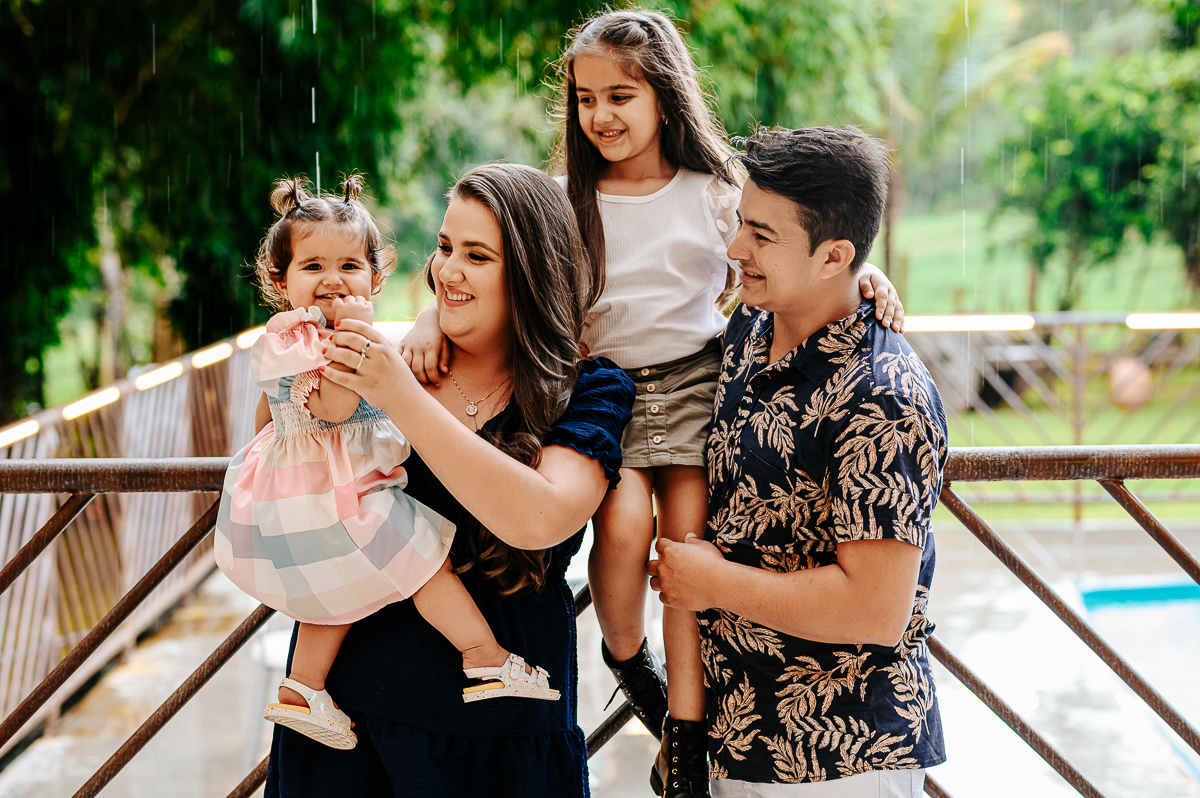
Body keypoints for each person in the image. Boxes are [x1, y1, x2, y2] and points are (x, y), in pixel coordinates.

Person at [399, 13, 905, 795]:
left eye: (621, 96)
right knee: (627, 526)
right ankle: (631, 664)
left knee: (689, 549)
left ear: (664, 98)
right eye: (586, 98)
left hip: (699, 382)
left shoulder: (715, 194)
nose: (600, 115)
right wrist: (432, 314)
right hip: (611, 392)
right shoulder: (571, 200)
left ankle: (686, 735)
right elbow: (494, 265)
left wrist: (866, 279)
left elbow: (806, 248)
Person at [261, 162, 635, 797]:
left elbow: (538, 518)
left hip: (500, 743)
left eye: (477, 255)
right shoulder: (389, 361)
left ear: (530, 274)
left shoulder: (589, 391)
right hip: (350, 733)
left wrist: (403, 397)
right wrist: (402, 365)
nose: (447, 271)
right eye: (442, 247)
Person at [649, 126, 948, 798]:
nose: (735, 249)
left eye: (761, 235)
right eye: (740, 224)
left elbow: (875, 610)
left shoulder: (884, 395)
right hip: (735, 738)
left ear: (833, 256)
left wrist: (711, 582)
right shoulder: (750, 326)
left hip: (839, 756)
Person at [215, 174, 562, 752]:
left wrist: (416, 324)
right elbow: (334, 405)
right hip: (334, 496)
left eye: (350, 267)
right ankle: (485, 656)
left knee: (338, 591)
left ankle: (304, 686)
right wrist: (360, 333)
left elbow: (269, 420)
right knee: (425, 560)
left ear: (377, 276)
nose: (333, 281)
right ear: (280, 281)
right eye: (313, 268)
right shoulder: (298, 338)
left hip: (323, 495)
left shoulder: (317, 337)